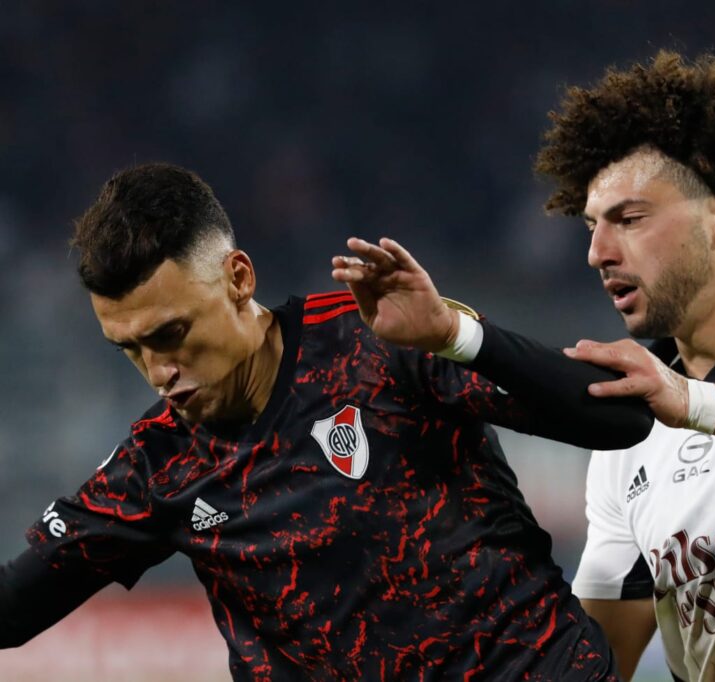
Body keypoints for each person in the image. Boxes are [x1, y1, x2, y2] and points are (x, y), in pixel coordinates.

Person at [336, 52, 715, 681]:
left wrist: (692, 402)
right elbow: (595, 663)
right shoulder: (630, 435)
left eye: (629, 220)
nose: (596, 253)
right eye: (590, 227)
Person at [0, 163, 656, 680]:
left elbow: (620, 421)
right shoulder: (158, 466)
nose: (159, 370)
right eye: (132, 349)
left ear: (237, 277)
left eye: (172, 334)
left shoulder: (377, 339)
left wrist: (457, 334)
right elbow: (13, 607)